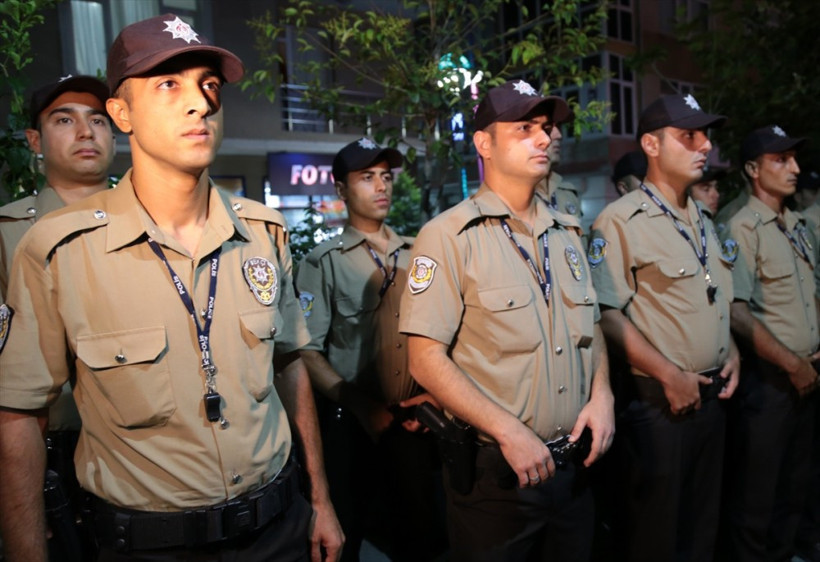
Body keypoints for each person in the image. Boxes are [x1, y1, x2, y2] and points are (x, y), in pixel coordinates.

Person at [0, 14, 343, 562]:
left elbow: (290, 365)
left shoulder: (262, 232)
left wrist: (320, 500)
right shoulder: (60, 249)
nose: (200, 103)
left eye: (210, 86)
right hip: (149, 545)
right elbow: (19, 413)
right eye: (168, 85)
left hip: (279, 528)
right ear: (122, 114)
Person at [399, 79, 615, 561]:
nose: (544, 138)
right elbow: (425, 359)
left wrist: (603, 395)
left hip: (574, 467)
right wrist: (508, 431)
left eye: (546, 128)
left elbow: (593, 326)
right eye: (524, 128)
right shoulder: (448, 236)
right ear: (484, 143)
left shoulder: (567, 231)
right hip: (499, 476)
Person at [589, 93, 740, 562]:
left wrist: (731, 348)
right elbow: (607, 314)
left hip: (711, 396)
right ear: (651, 145)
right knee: (656, 535)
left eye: (705, 137)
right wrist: (669, 375)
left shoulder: (702, 218)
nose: (705, 146)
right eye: (689, 136)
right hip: (659, 404)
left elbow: (711, 296)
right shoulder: (620, 220)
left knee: (702, 529)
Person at [295, 138, 445, 561]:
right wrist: (361, 406)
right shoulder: (323, 263)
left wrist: (435, 395)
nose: (381, 186)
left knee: (421, 539)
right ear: (341, 190)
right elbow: (306, 351)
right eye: (367, 178)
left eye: (385, 177)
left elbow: (442, 334)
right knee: (347, 536)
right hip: (353, 427)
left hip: (417, 424)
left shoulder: (420, 253)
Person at [0, 75, 115, 558]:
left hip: (149, 454)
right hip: (47, 453)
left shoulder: (155, 226)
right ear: (34, 140)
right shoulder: (8, 235)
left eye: (98, 120)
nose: (86, 132)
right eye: (64, 120)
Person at [719, 124, 819, 562]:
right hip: (770, 380)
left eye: (794, 158)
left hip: (808, 373)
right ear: (753, 169)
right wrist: (792, 364)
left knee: (795, 487)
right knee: (756, 495)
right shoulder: (740, 226)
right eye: (781, 160)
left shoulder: (797, 224)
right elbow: (736, 312)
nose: (794, 168)